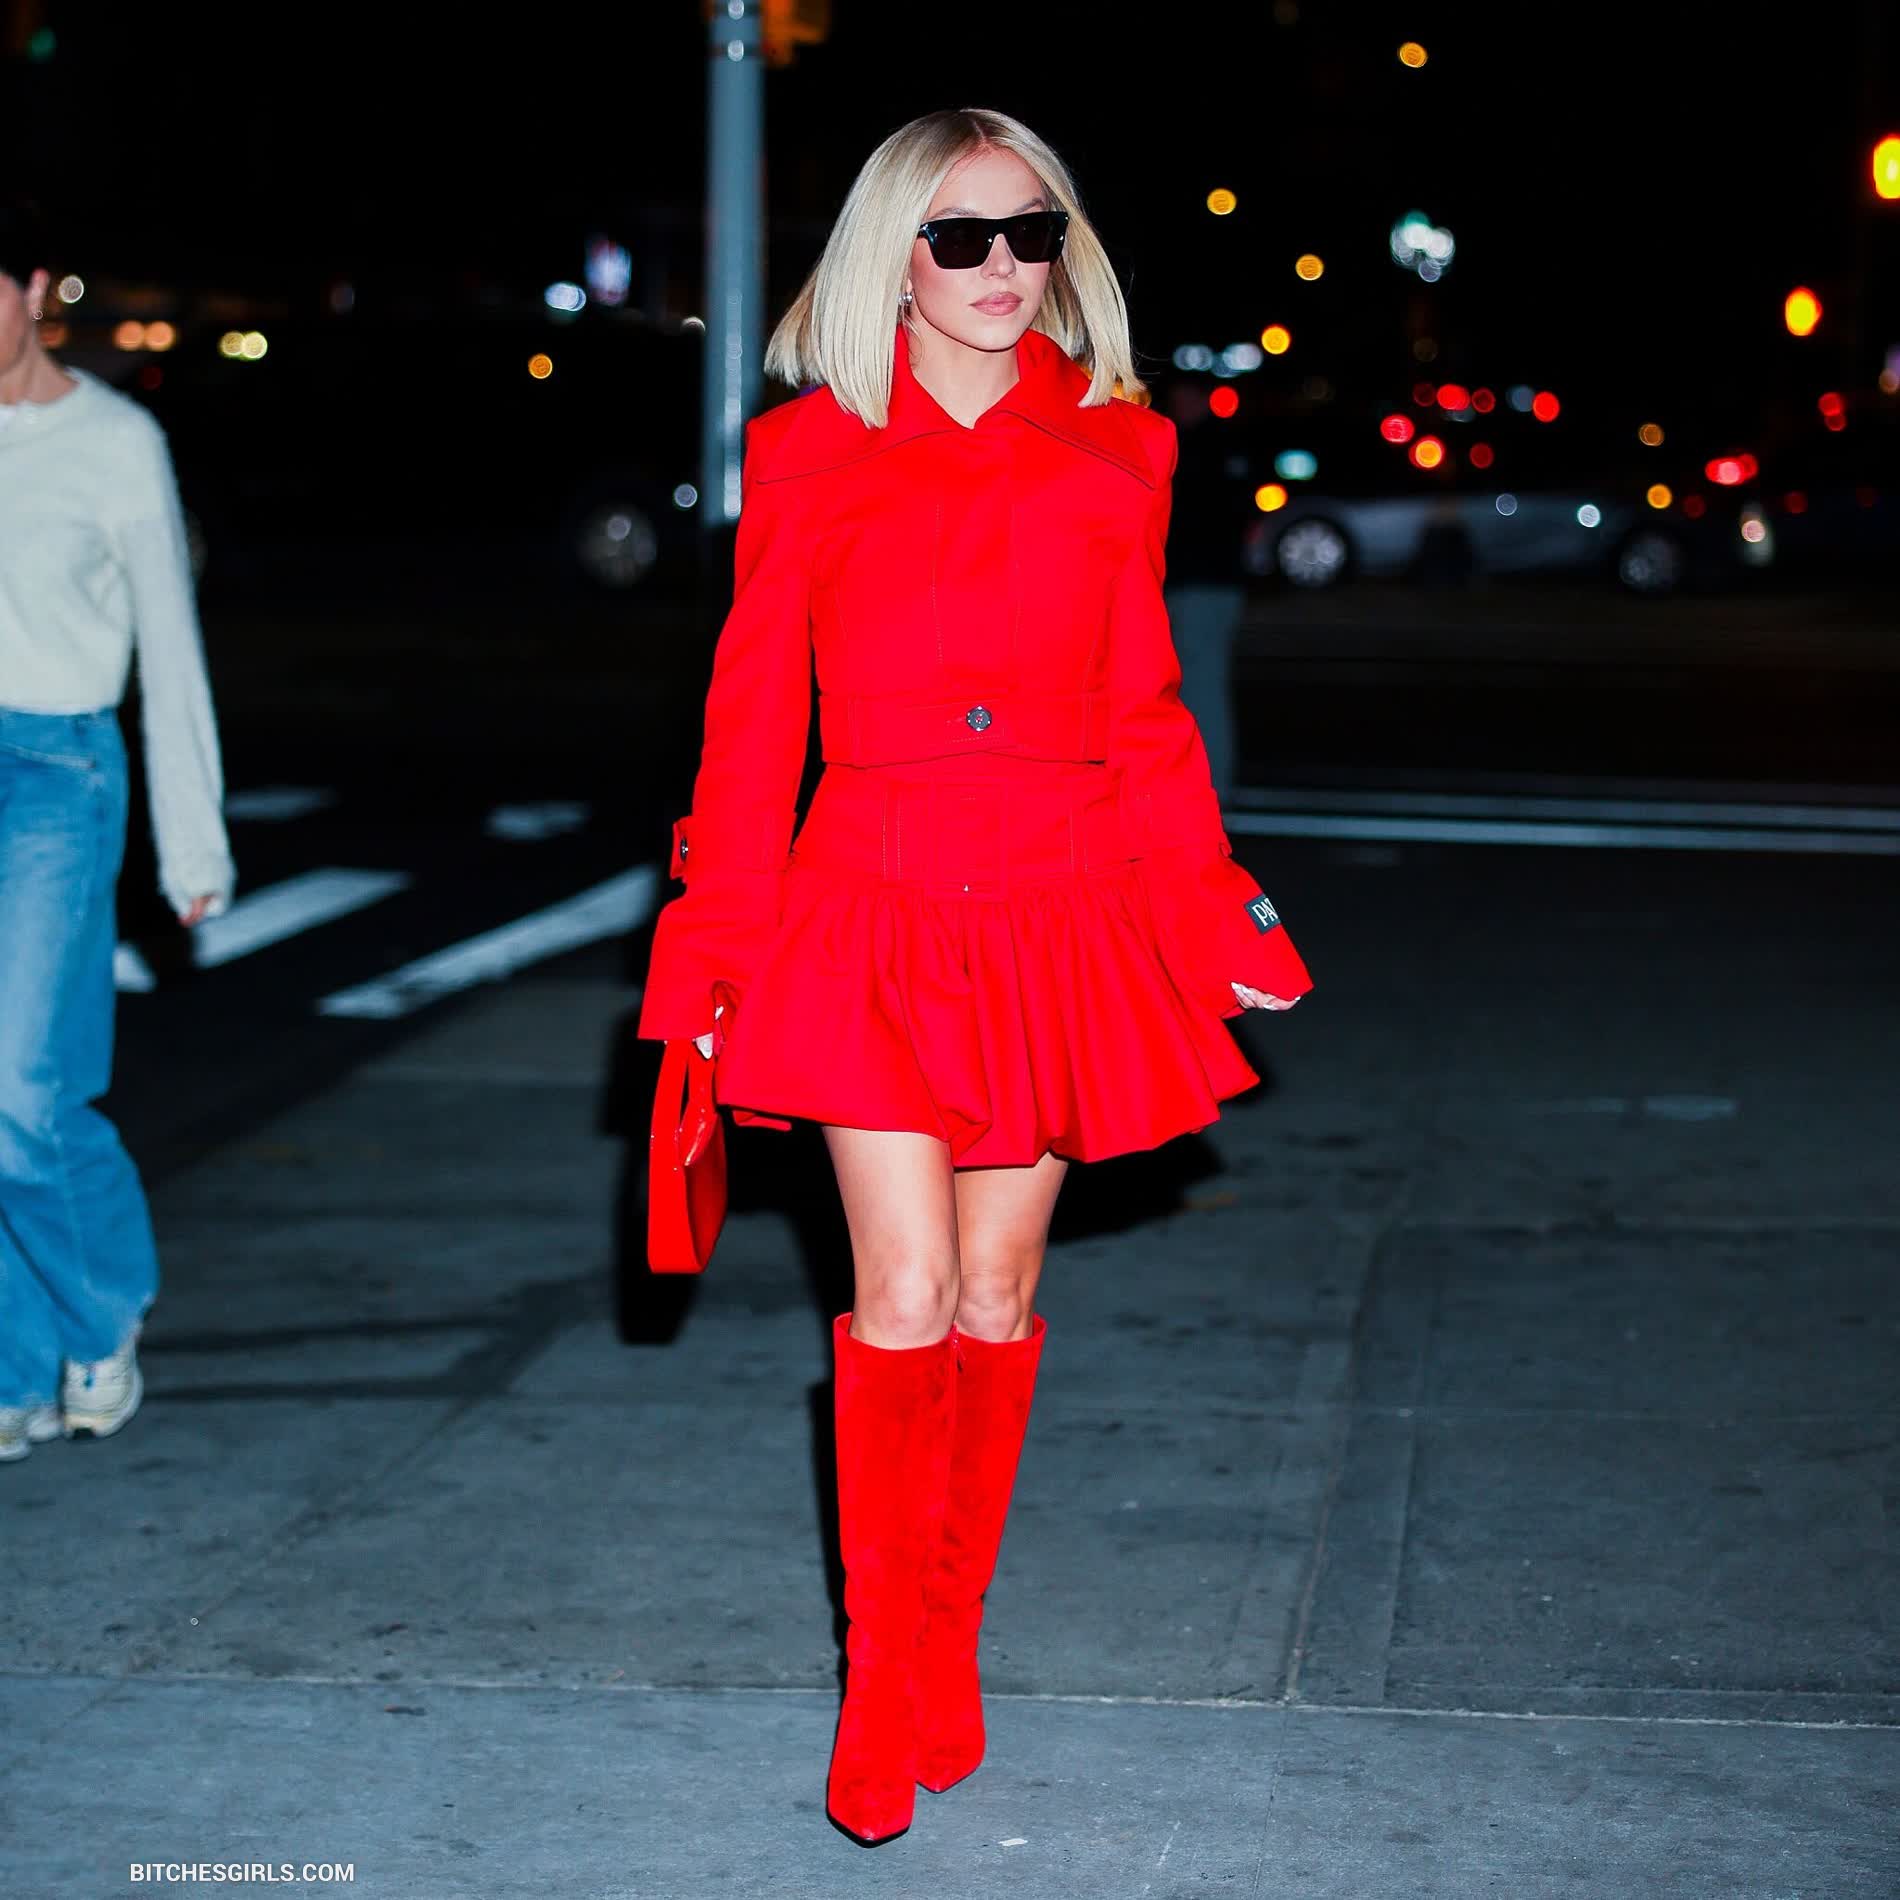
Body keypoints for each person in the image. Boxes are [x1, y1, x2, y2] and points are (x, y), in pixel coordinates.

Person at [636, 110, 1314, 1847]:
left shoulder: (1120, 448)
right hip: (868, 906)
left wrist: (1212, 914)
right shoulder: (807, 453)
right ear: (895, 260)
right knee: (909, 1282)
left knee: (999, 1295)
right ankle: (880, 1676)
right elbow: (748, 728)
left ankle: (949, 1638)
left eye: (1032, 233)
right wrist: (711, 963)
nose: (1003, 268)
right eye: (960, 239)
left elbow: (1147, 714)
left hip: (1061, 906)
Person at [0, 202, 235, 1463]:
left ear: (34, 288)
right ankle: (14, 1364)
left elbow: (171, 651)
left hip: (56, 771)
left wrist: (192, 844)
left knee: (19, 1093)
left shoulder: (115, 443)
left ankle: (102, 1308)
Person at [1159, 378, 1261, 806]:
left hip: (1203, 583)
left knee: (1202, 686)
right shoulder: (1206, 443)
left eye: (1186, 396)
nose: (1180, 403)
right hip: (1202, 581)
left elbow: (1217, 517)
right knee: (1197, 685)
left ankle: (1211, 784)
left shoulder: (1202, 447)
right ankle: (1206, 781)